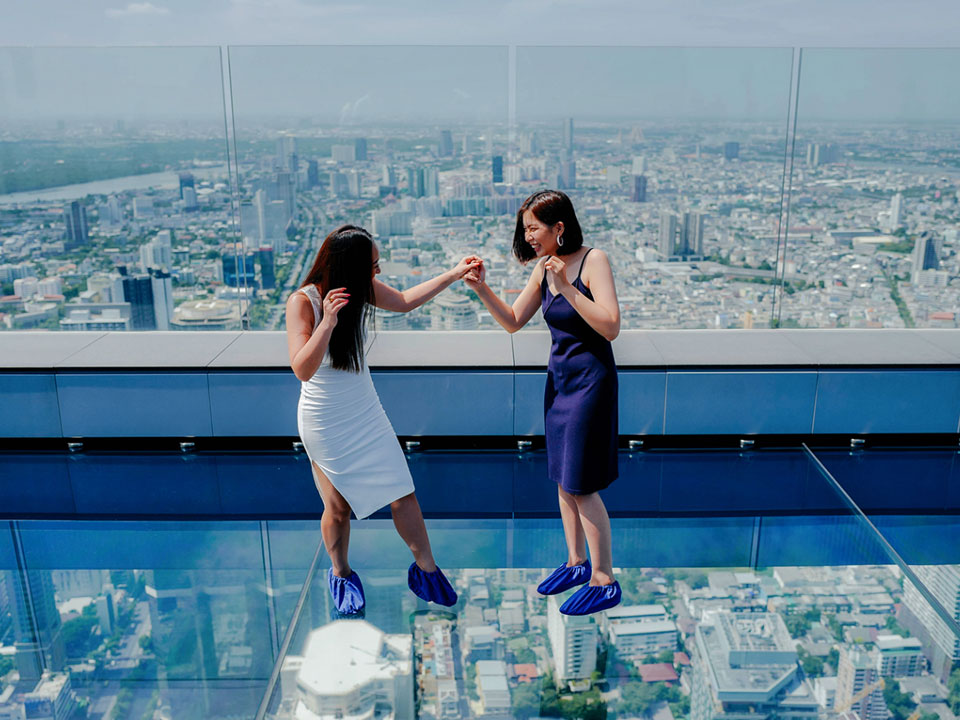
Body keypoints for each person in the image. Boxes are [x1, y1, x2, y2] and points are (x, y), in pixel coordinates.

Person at [286, 224, 481, 615]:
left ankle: (427, 571)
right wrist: (327, 322)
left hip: (364, 410)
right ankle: (341, 574)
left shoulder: (361, 288)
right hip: (324, 418)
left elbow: (406, 300)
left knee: (402, 492)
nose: (377, 273)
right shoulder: (303, 301)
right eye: (371, 266)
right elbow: (302, 369)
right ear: (348, 267)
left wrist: (454, 273)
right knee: (337, 507)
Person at [464, 190, 622, 615]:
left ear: (559, 226)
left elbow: (610, 326)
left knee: (581, 482)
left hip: (591, 383)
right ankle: (575, 562)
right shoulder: (541, 269)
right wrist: (482, 289)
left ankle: (604, 579)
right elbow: (514, 321)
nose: (528, 236)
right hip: (560, 382)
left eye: (533, 227)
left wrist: (567, 288)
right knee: (562, 476)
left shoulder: (593, 261)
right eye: (526, 228)